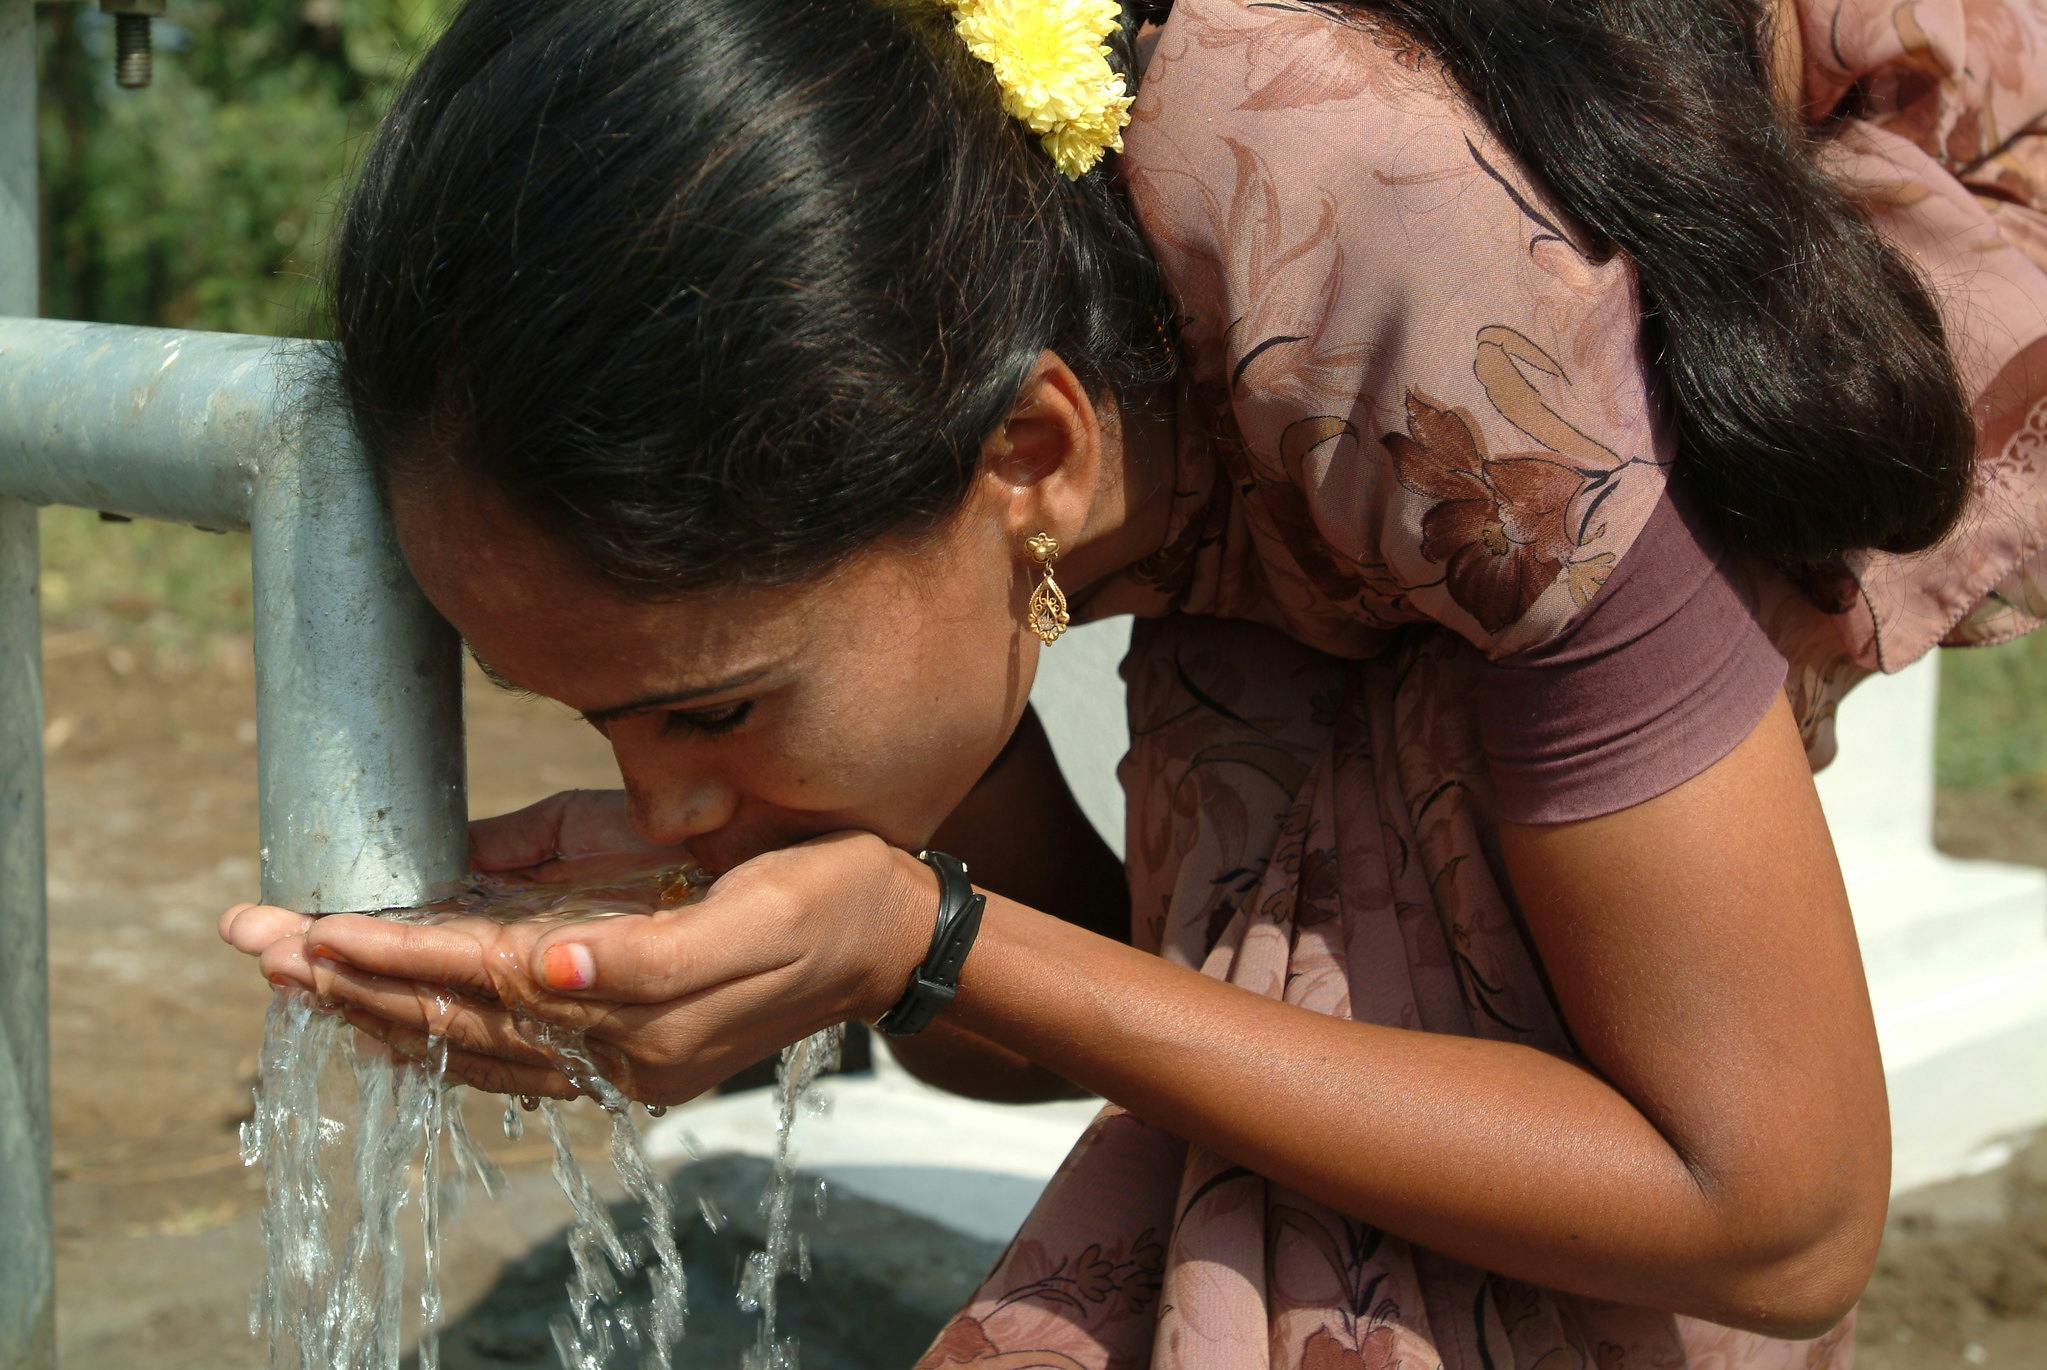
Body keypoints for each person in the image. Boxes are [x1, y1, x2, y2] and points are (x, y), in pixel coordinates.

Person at [219, 0, 2047, 1364]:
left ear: (1032, 452)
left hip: (1906, 184)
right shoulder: (945, 341)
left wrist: (926, 938)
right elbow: (1106, 1000)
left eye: (710, 710)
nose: (676, 798)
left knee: (1398, 921)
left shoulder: (1436, 329)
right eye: (596, 719)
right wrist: (803, 920)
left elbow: (1777, 1211)